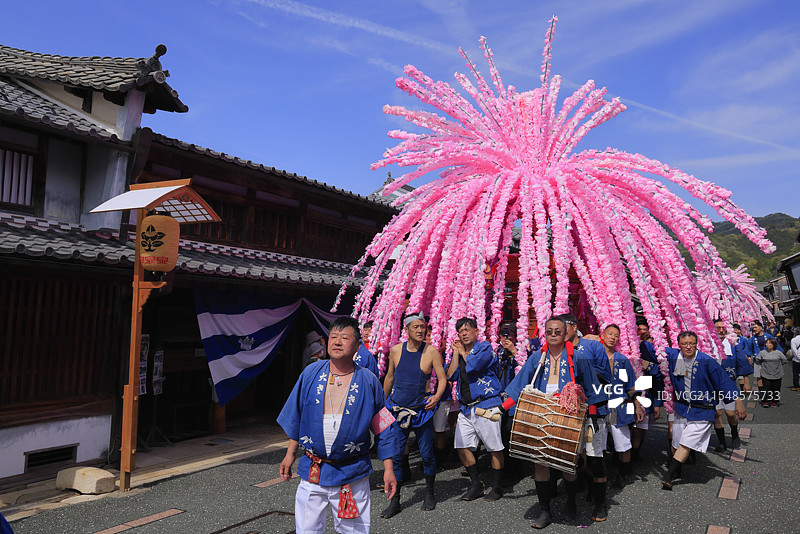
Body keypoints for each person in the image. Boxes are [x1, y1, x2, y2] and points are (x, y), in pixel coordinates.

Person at [278, 317, 397, 534]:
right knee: (307, 529)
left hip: (352, 472)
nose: (337, 342)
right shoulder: (311, 373)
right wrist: (290, 453)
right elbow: (296, 415)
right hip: (314, 470)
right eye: (333, 336)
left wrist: (389, 469)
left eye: (345, 337)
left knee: (354, 531)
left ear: (358, 346)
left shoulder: (368, 381)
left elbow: (383, 428)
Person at [500, 316, 602, 529]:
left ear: (566, 333)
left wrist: (592, 416)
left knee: (567, 465)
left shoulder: (580, 357)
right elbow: (520, 384)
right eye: (549, 331)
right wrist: (502, 408)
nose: (553, 335)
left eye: (558, 331)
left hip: (568, 414)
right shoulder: (537, 356)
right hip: (540, 412)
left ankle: (571, 503)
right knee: (540, 463)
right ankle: (545, 510)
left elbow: (592, 389)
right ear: (544, 334)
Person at [660, 331, 746, 491]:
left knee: (686, 442)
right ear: (679, 345)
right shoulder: (673, 356)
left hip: (703, 410)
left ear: (696, 344)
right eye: (685, 344)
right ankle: (677, 468)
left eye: (691, 343)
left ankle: (668, 477)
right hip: (682, 407)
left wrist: (738, 401)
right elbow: (652, 347)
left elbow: (723, 381)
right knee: (676, 441)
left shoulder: (706, 361)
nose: (688, 347)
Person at [381, 313, 447, 517]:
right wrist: (381, 404)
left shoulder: (432, 351)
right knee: (398, 455)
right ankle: (396, 500)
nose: (421, 330)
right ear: (407, 330)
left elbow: (442, 378)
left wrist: (436, 397)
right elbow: (389, 377)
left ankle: (429, 492)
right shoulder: (395, 350)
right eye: (416, 327)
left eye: (423, 327)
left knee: (427, 454)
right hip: (398, 410)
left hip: (422, 411)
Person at [447, 317, 506, 503]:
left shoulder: (485, 347)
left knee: (494, 448)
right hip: (466, 408)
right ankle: (476, 483)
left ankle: (497, 486)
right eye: (460, 331)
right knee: (461, 446)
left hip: (487, 404)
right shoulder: (460, 351)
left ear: (476, 331)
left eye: (467, 330)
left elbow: (474, 365)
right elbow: (451, 374)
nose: (463, 334)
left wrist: (463, 351)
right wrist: (456, 353)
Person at [600, 324, 645, 489]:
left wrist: (638, 406)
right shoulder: (594, 357)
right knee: (598, 444)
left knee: (623, 444)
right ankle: (599, 476)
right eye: (610, 334)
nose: (613, 337)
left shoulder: (622, 360)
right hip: (599, 407)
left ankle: (624, 473)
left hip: (619, 407)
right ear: (602, 336)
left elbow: (632, 385)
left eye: (616, 335)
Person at [712, 320, 753, 452]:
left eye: (723, 328)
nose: (721, 330)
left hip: (729, 382)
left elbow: (742, 363)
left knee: (730, 413)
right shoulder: (707, 343)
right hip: (712, 385)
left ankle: (735, 434)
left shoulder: (733, 345)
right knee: (717, 412)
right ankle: (722, 441)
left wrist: (746, 382)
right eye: (717, 328)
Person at [749, 320, 782, 389]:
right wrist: (749, 357)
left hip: (768, 360)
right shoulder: (752, 338)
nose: (754, 329)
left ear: (761, 327)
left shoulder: (768, 336)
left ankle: (768, 391)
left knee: (768, 376)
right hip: (757, 360)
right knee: (759, 376)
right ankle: (762, 393)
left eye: (756, 327)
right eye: (753, 328)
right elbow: (748, 349)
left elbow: (777, 346)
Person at [755, 338, 787, 408]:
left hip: (777, 373)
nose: (768, 345)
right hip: (765, 373)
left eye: (770, 343)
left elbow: (784, 361)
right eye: (767, 343)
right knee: (766, 388)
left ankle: (774, 401)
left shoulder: (778, 353)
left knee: (776, 388)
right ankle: (766, 401)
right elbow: (758, 360)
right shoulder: (762, 352)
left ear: (774, 345)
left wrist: (777, 365)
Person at [790, 327, 800, 391]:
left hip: (796, 359)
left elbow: (793, 350)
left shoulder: (794, 340)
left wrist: (798, 357)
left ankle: (796, 386)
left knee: (796, 373)